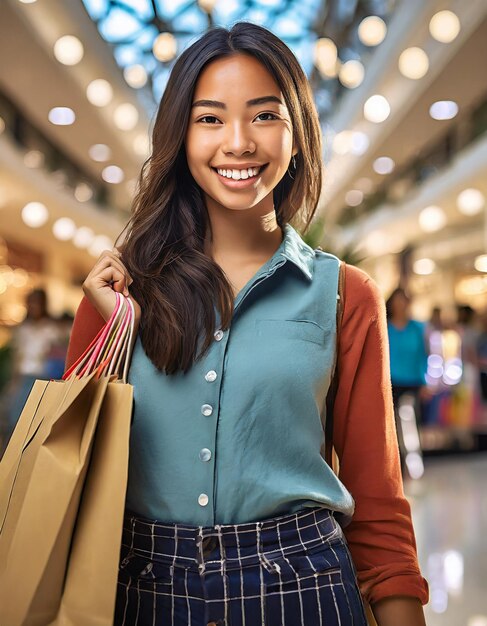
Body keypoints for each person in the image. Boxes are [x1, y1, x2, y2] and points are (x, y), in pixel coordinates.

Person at [65, 23, 428, 626]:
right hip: (143, 594)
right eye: (209, 119)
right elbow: (72, 475)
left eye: (264, 115)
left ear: (297, 133)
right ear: (179, 135)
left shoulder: (347, 294)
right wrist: (117, 335)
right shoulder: (118, 294)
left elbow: (380, 505)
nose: (238, 142)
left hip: (305, 589)